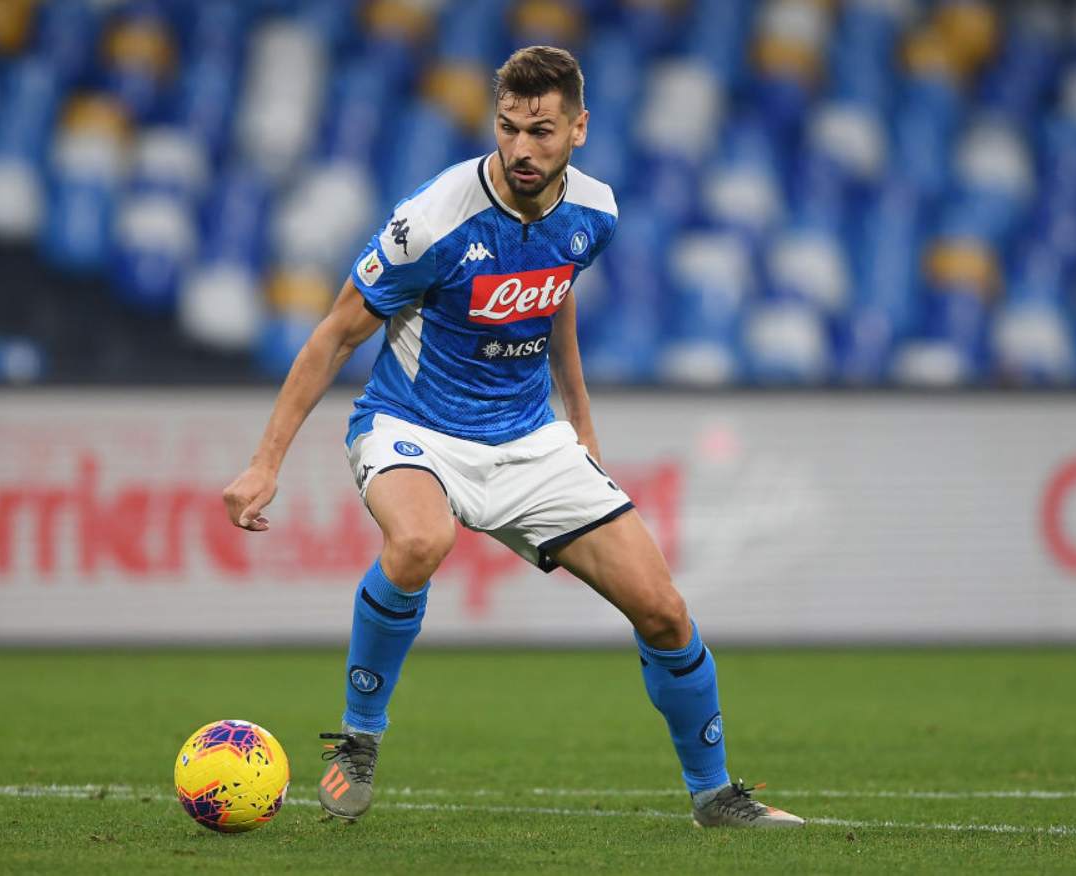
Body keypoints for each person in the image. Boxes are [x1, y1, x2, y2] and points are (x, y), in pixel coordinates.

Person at [222, 45, 803, 829]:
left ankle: (713, 795)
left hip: (531, 441)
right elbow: (331, 336)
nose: (522, 149)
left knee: (664, 610)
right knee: (421, 542)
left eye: (541, 131)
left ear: (579, 128)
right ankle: (359, 740)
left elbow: (554, 298)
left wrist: (581, 427)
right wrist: (265, 465)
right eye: (508, 129)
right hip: (413, 428)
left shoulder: (594, 212)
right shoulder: (432, 220)